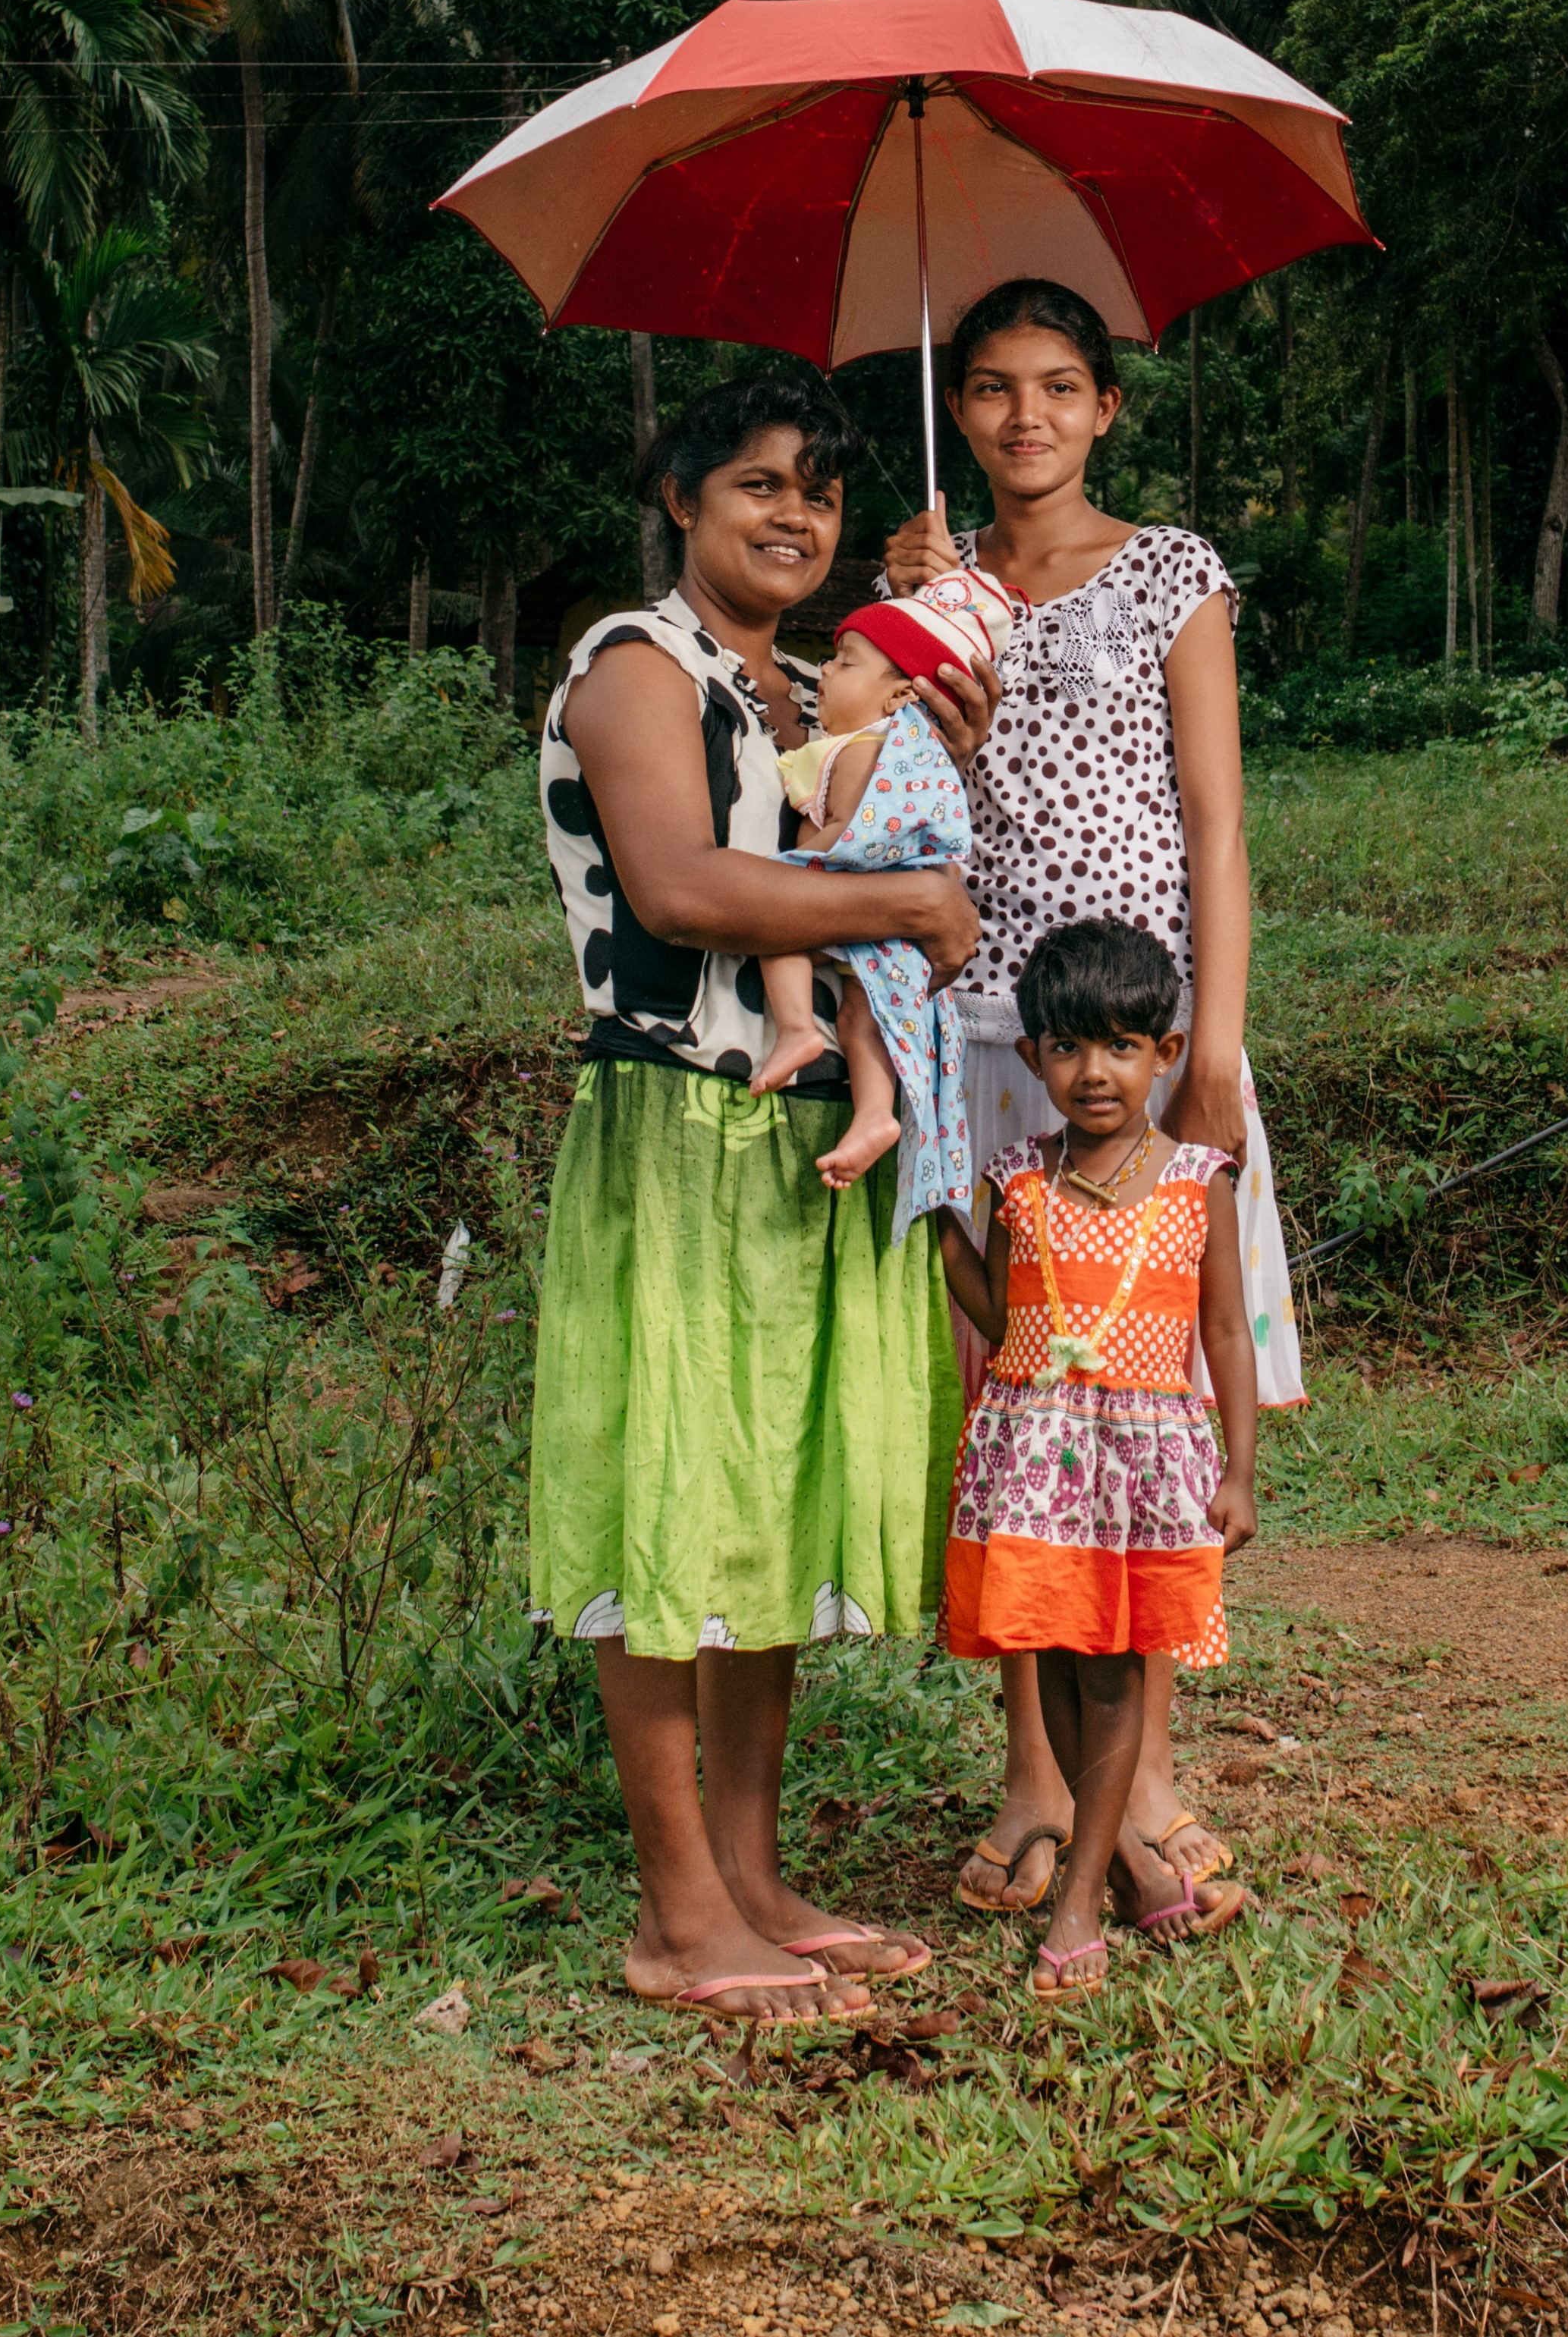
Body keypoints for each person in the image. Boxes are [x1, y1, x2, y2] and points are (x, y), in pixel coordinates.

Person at [533, 369, 997, 2028]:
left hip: (804, 1127)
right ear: (681, 499)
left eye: (816, 490)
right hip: (680, 1115)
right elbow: (681, 884)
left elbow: (920, 866)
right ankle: (675, 1915)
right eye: (755, 485)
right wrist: (905, 890)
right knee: (673, 1487)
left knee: (763, 1499)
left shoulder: (804, 690)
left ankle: (750, 1874)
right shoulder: (632, 667)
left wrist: (935, 754)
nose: (791, 513)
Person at [880, 276, 1296, 1913]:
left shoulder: (1174, 572)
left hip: (1147, 1035)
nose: (1024, 417)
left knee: (1147, 1396)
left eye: (1059, 386)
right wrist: (907, 624)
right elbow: (885, 794)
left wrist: (1212, 1050)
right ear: (963, 410)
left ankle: (1150, 1774)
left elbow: (1216, 820)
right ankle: (1036, 1774)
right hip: (984, 1032)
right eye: (990, 388)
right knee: (1018, 1401)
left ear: (1107, 406)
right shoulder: (932, 587)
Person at [938, 917, 1261, 1998]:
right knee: (1064, 1664)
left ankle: (1077, 1900)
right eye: (1069, 1048)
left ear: (1166, 1053)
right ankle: (1125, 1864)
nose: (1096, 1072)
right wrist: (936, 1220)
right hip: (1034, 1460)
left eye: (1123, 1046)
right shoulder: (1016, 1178)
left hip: (1142, 1464)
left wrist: (1241, 1469)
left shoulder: (1195, 1178)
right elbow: (993, 1306)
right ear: (1030, 1058)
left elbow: (1225, 1333)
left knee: (1118, 1674)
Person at [759, 565, 1023, 1220]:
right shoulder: (897, 748)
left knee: (771, 926)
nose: (823, 672)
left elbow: (848, 837)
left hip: (862, 907)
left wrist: (793, 869)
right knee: (862, 1015)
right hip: (891, 925)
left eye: (844, 663)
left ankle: (794, 1027)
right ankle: (876, 1113)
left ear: (900, 695)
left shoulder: (866, 750)